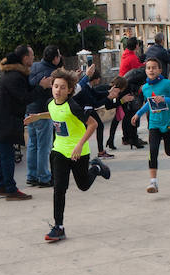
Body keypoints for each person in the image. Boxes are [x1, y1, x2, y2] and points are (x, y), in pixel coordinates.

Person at [24, 68, 110, 242]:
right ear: (52, 87)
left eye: (63, 87)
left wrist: (79, 145)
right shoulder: (50, 103)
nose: (58, 90)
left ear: (70, 90)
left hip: (78, 152)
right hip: (59, 151)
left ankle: (95, 167)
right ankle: (59, 227)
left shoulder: (73, 106)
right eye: (56, 86)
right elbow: (55, 114)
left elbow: (92, 125)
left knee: (83, 185)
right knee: (59, 189)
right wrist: (38, 117)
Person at [0, 46, 52, 201]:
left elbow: (27, 89)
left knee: (2, 155)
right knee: (7, 156)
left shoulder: (15, 74)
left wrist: (40, 85)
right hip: (5, 121)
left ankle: (2, 186)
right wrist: (41, 87)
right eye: (31, 55)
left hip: (2, 120)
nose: (33, 58)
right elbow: (24, 97)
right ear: (24, 58)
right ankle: (10, 189)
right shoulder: (14, 76)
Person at [131, 58, 170, 193]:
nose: (151, 70)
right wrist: (138, 114)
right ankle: (153, 182)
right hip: (154, 124)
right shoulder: (146, 88)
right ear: (146, 71)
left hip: (169, 123)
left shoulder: (168, 84)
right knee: (152, 151)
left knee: (169, 152)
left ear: (160, 70)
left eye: (154, 67)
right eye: (148, 68)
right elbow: (149, 103)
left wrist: (165, 99)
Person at [25, 45, 61, 188]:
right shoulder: (52, 73)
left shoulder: (33, 67)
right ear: (55, 58)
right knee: (44, 147)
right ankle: (44, 177)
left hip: (29, 110)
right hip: (42, 113)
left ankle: (31, 175)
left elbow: (30, 83)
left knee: (32, 145)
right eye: (59, 55)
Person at [74, 69, 124, 159]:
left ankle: (100, 152)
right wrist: (108, 97)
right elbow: (95, 103)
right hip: (83, 111)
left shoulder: (88, 86)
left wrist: (108, 92)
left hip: (88, 109)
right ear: (96, 79)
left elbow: (96, 94)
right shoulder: (85, 87)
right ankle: (81, 153)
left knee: (99, 126)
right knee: (84, 132)